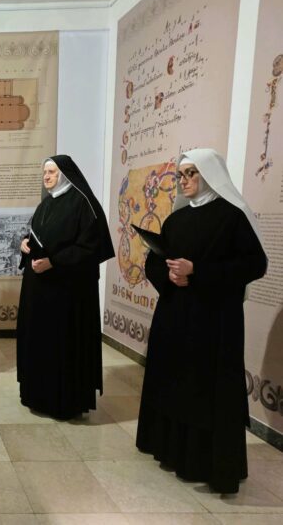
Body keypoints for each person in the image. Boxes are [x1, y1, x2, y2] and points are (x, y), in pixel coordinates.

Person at [136, 148, 267, 494]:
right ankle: (171, 450)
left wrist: (198, 271)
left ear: (210, 175)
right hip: (175, 317)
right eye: (181, 175)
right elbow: (154, 261)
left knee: (203, 391)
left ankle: (202, 463)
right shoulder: (176, 220)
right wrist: (169, 276)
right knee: (175, 383)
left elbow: (255, 265)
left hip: (213, 321)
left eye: (191, 173)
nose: (184, 181)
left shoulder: (232, 217)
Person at [17, 155, 114, 419]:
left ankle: (63, 402)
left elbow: (90, 247)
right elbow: (40, 235)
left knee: (62, 345)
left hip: (67, 292)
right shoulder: (46, 204)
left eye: (51, 172)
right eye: (44, 172)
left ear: (65, 174)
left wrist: (54, 262)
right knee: (41, 343)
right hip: (40, 289)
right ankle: (38, 395)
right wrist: (25, 244)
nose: (46, 177)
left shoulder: (83, 203)